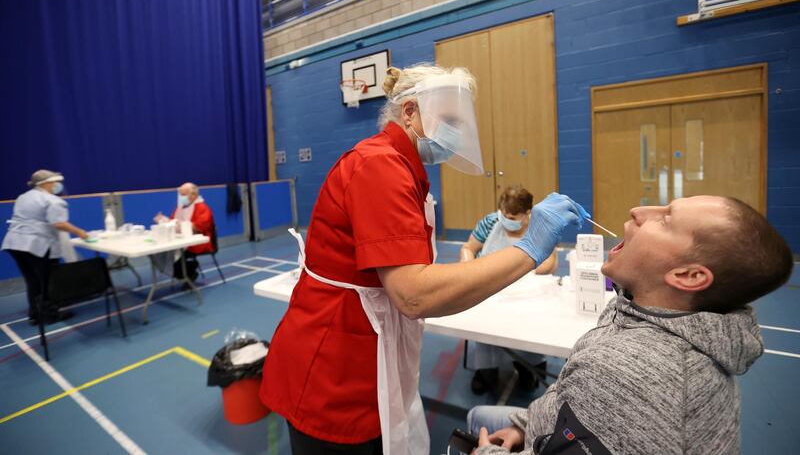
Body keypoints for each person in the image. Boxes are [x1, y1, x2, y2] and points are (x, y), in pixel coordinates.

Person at [260, 63, 590, 455]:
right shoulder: (379, 165)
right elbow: (414, 294)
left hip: (361, 354)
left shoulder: (400, 166)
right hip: (336, 370)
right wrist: (528, 250)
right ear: (410, 111)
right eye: (448, 119)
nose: (455, 132)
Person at [468, 195, 793, 455]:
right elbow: (570, 399)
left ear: (688, 276)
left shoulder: (628, 374)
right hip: (548, 423)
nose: (637, 210)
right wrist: (526, 423)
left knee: (475, 419)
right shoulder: (645, 308)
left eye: (666, 219)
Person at [460, 185, 557, 395]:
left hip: (526, 294)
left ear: (527, 213)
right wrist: (468, 268)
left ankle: (528, 365)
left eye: (514, 216)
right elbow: (469, 248)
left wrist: (531, 267)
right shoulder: (490, 223)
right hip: (489, 291)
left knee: (527, 328)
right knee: (487, 327)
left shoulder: (540, 228)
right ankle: (485, 369)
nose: (508, 218)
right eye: (505, 214)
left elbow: (550, 262)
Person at [2, 170, 88, 325]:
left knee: (32, 280)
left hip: (14, 243)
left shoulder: (23, 197)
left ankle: (35, 314)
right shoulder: (53, 200)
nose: (58, 186)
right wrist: (80, 232)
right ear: (47, 183)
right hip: (36, 245)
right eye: (56, 182)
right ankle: (49, 315)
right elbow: (59, 223)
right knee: (48, 280)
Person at [152, 182, 214, 282]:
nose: (181, 197)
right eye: (180, 194)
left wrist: (178, 224)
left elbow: (198, 227)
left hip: (196, 242)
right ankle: (182, 272)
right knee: (159, 253)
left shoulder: (203, 208)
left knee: (173, 257)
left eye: (183, 195)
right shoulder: (180, 208)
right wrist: (163, 220)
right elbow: (172, 222)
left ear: (194, 195)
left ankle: (189, 271)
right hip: (178, 240)